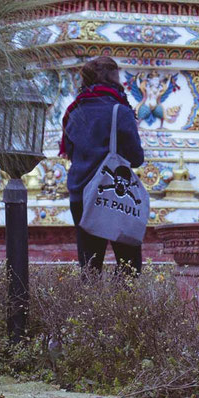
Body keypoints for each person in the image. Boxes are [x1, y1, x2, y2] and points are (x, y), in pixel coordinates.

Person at [60, 56, 145, 275]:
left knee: (89, 267)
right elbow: (136, 158)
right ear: (113, 77)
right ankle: (122, 308)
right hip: (115, 196)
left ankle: (90, 308)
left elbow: (70, 152)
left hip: (81, 194)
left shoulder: (73, 112)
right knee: (129, 266)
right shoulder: (120, 111)